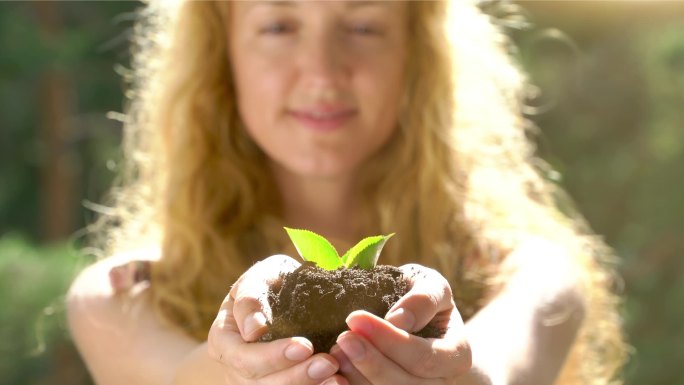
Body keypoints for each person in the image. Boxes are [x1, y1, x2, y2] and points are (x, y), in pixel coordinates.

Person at [66, 1, 627, 384]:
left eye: (363, 25)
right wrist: (243, 352)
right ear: (222, 55)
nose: (322, 72)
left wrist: (454, 371)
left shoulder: (529, 275)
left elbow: (504, 367)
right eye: (279, 26)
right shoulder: (123, 300)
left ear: (417, 53)